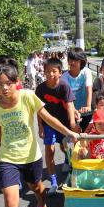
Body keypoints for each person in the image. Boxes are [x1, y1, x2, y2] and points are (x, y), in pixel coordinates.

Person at [0, 63, 78, 207]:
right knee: (11, 201)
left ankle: (42, 203)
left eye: (8, 83)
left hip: (30, 156)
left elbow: (48, 118)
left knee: (36, 187)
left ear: (16, 82)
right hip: (8, 157)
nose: (5, 88)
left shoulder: (27, 96)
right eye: (0, 84)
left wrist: (69, 132)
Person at [35, 57, 76, 195]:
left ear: (60, 72)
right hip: (48, 125)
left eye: (53, 71)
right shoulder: (40, 89)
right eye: (47, 71)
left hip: (63, 124)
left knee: (64, 147)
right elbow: (38, 110)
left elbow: (70, 105)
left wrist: (72, 124)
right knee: (49, 150)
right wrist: (40, 127)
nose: (50, 74)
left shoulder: (64, 86)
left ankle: (66, 158)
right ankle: (53, 182)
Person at [61, 49, 93, 130]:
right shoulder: (64, 76)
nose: (72, 62)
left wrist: (88, 106)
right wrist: (74, 110)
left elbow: (89, 88)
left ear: (81, 62)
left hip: (86, 112)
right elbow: (67, 97)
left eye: (75, 60)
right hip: (72, 112)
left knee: (87, 137)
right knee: (73, 138)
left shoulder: (86, 71)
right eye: (70, 60)